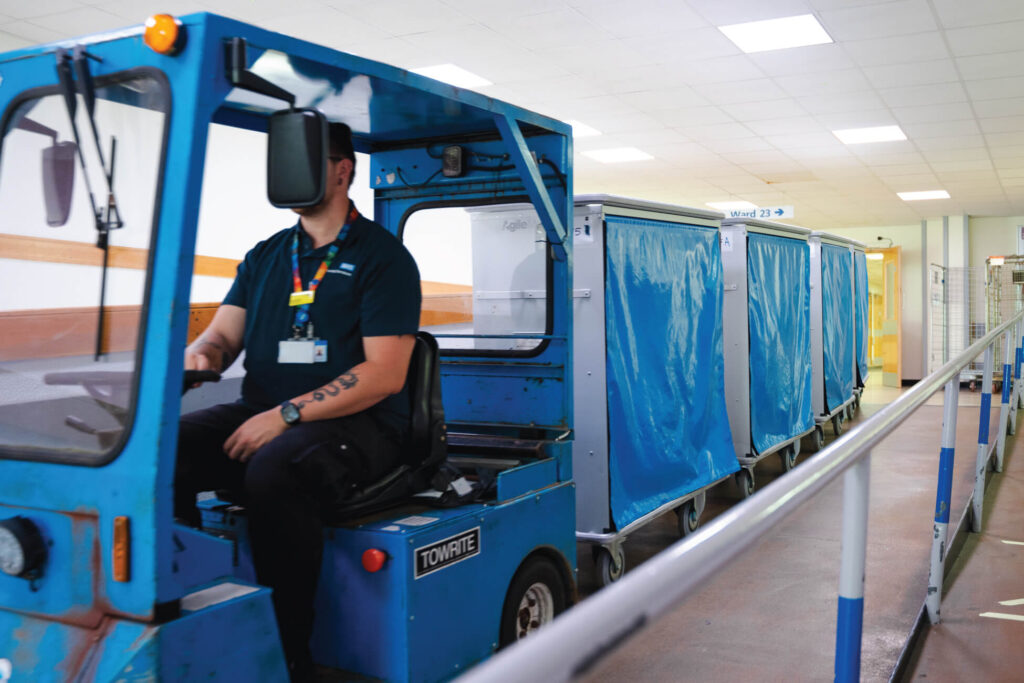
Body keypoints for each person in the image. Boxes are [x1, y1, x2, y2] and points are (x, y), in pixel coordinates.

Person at [174, 121, 421, 681]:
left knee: (274, 470)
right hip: (264, 410)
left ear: (341, 170)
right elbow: (221, 336)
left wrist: (285, 415)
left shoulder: (383, 259)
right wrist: (200, 356)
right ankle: (178, 614)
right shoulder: (266, 256)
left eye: (300, 162)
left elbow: (384, 374)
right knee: (169, 450)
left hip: (364, 424)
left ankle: (285, 653)